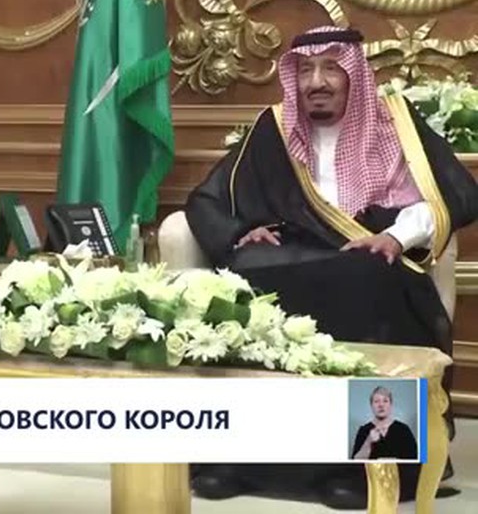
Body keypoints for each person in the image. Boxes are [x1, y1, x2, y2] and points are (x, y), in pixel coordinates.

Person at [184, 26, 478, 509]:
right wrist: (240, 231)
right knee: (244, 279)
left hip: (371, 256)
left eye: (330, 69)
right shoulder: (275, 128)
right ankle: (239, 460)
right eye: (305, 70)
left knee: (364, 279)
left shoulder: (395, 123)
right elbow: (208, 197)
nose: (315, 82)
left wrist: (396, 236)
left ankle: (370, 467)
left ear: (353, 74)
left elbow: (448, 195)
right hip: (294, 254)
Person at [351, 387, 417, 462]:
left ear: (391, 405)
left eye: (385, 401)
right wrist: (368, 441)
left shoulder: (403, 429)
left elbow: (414, 459)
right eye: (376, 401)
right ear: (371, 406)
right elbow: (355, 461)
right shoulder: (363, 430)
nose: (381, 405)